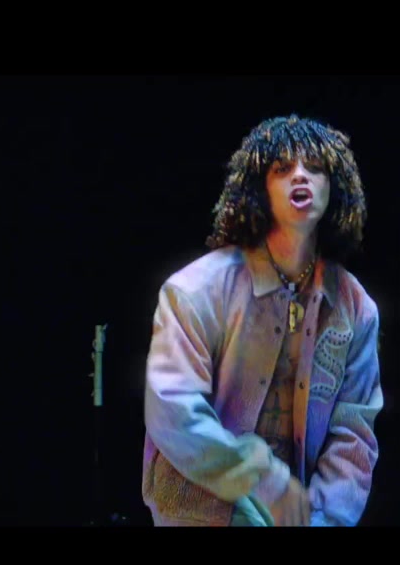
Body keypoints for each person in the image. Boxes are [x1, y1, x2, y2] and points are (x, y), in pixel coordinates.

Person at [141, 114, 383, 527]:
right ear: (259, 187)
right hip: (198, 511)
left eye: (315, 167)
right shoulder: (195, 289)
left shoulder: (356, 307)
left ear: (335, 187)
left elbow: (353, 434)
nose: (300, 175)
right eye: (282, 168)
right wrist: (263, 481)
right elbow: (174, 411)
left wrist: (324, 519)